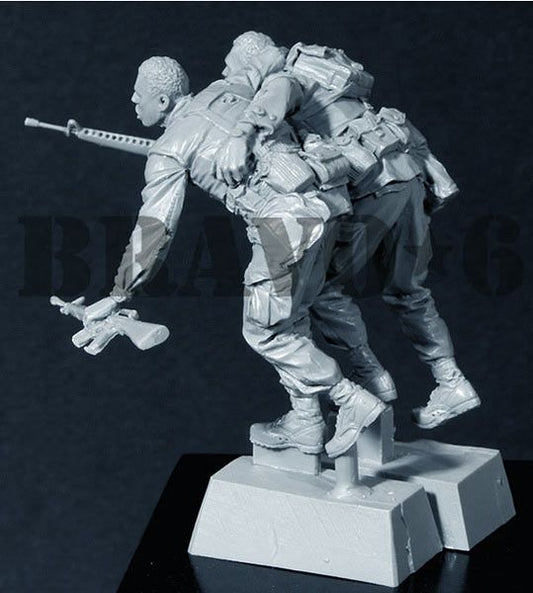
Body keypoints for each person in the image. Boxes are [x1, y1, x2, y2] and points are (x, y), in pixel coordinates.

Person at [81, 49, 386, 459]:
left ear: (164, 101)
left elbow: (155, 228)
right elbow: (273, 57)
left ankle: (351, 400)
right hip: (328, 207)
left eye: (140, 95)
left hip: (284, 226)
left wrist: (120, 293)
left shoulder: (169, 149)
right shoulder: (227, 88)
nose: (133, 101)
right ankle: (307, 421)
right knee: (289, 319)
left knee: (265, 331)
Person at [215, 33, 480, 430]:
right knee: (408, 290)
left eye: (231, 66)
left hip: (372, 189)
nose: (226, 74)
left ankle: (369, 375)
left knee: (318, 289)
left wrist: (239, 138)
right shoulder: (323, 71)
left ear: (251, 61)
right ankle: (451, 381)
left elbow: (273, 100)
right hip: (406, 175)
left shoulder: (283, 78)